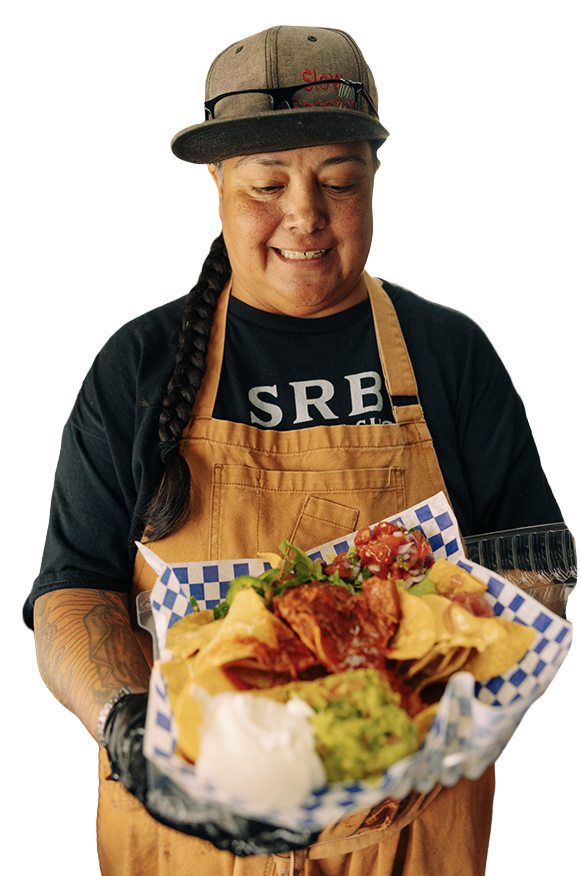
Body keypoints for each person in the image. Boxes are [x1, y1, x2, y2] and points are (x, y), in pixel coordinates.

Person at [23, 26, 567, 876]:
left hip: (409, 830)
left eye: (337, 182)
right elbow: (75, 592)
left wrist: (466, 705)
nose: (304, 216)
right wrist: (132, 734)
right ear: (215, 185)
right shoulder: (140, 363)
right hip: (188, 832)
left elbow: (533, 571)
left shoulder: (450, 357)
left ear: (374, 179)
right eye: (265, 184)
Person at [389, 79, 578, 406]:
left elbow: (566, 315)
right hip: (446, 416)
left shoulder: (539, 229)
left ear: (525, 145)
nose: (488, 155)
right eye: (476, 138)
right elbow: (396, 333)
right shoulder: (428, 226)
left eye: (504, 139)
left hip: (513, 411)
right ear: (462, 143)